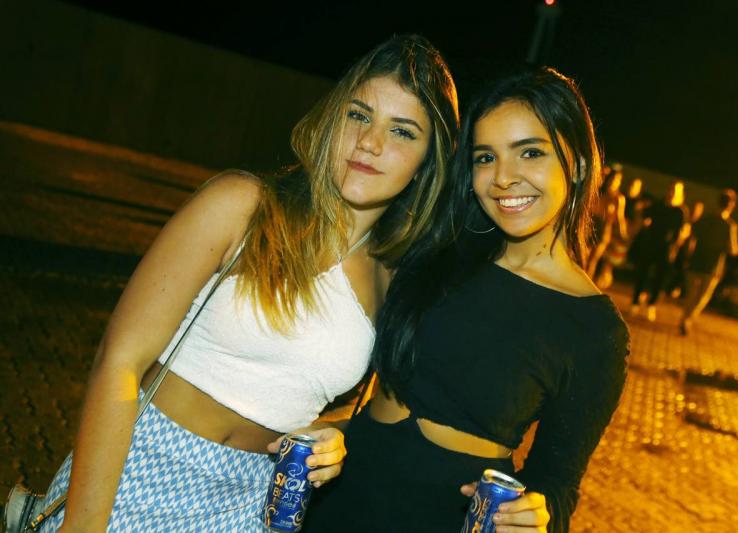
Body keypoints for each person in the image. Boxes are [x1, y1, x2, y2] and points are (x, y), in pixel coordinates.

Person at [38, 34, 460, 532]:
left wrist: (337, 434)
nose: (370, 142)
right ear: (333, 117)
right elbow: (118, 361)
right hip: (137, 465)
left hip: (252, 503)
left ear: (427, 164)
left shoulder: (393, 281)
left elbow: (367, 408)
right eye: (359, 115)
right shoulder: (243, 206)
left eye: (403, 132)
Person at [304, 67, 629, 533]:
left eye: (530, 153)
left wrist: (537, 514)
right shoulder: (438, 249)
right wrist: (330, 429)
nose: (503, 178)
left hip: (443, 518)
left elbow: (557, 485)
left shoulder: (594, 330)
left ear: (577, 165)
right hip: (339, 497)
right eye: (485, 158)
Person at [679, 189, 738, 335]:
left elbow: (691, 238)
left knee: (691, 294)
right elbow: (733, 249)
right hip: (714, 265)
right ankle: (687, 319)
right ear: (731, 206)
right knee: (702, 296)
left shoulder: (705, 219)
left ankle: (685, 318)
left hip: (696, 260)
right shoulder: (730, 226)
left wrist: (688, 254)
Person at [629, 180, 686, 321]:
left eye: (675, 190)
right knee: (642, 273)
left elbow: (679, 232)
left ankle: (651, 304)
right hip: (650, 243)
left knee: (660, 278)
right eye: (671, 189)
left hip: (666, 248)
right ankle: (635, 302)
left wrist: (674, 248)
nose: (672, 192)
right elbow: (643, 215)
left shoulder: (679, 211)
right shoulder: (658, 205)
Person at [587, 167, 627, 285]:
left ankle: (585, 286)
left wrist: (623, 233)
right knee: (581, 256)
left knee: (593, 259)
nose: (614, 181)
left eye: (617, 180)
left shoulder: (618, 198)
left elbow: (619, 218)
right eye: (612, 178)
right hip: (590, 225)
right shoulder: (598, 191)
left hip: (604, 229)